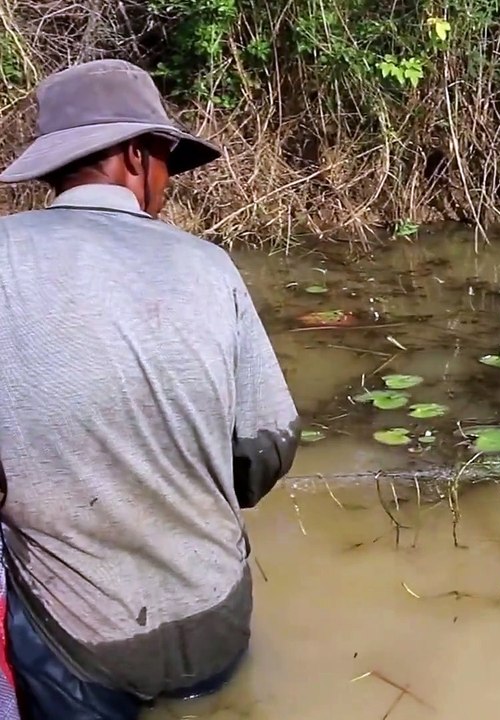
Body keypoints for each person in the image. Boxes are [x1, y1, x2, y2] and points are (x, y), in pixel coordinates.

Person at [0, 59, 299, 718]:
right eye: (167, 158)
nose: (168, 180)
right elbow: (268, 449)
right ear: (137, 156)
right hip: (216, 623)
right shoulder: (211, 267)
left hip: (79, 647)